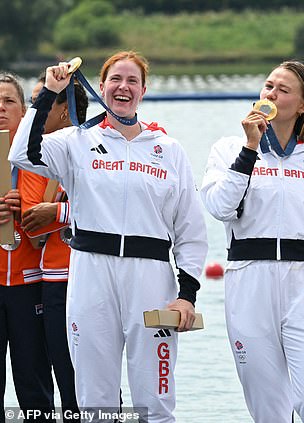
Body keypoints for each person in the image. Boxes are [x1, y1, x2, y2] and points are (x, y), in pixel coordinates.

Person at [9, 52, 208, 422]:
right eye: (116, 79)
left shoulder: (169, 150)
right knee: (95, 401)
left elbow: (191, 232)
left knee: (156, 400)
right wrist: (50, 93)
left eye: (132, 81)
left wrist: (186, 296)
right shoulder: (75, 141)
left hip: (151, 278)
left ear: (143, 91)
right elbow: (21, 153)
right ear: (101, 87)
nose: (123, 87)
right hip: (91, 276)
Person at [201, 61, 304, 423]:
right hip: (249, 282)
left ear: (303, 106)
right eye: (268, 86)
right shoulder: (228, 149)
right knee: (269, 411)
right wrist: (249, 149)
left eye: (283, 90)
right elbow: (221, 207)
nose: (270, 94)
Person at [16, 75, 89, 422]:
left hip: (96, 274)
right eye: (34, 102)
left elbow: (123, 212)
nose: (37, 109)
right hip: (55, 278)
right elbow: (33, 224)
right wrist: (69, 211)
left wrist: (59, 210)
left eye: (43, 102)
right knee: (64, 376)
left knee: (93, 381)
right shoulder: (36, 155)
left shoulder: (100, 145)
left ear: (64, 110)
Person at [1, 72, 55, 421]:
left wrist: (30, 213)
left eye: (9, 102)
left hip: (30, 285)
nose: (0, 109)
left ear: (24, 112)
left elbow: (65, 223)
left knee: (33, 383)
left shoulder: (43, 158)